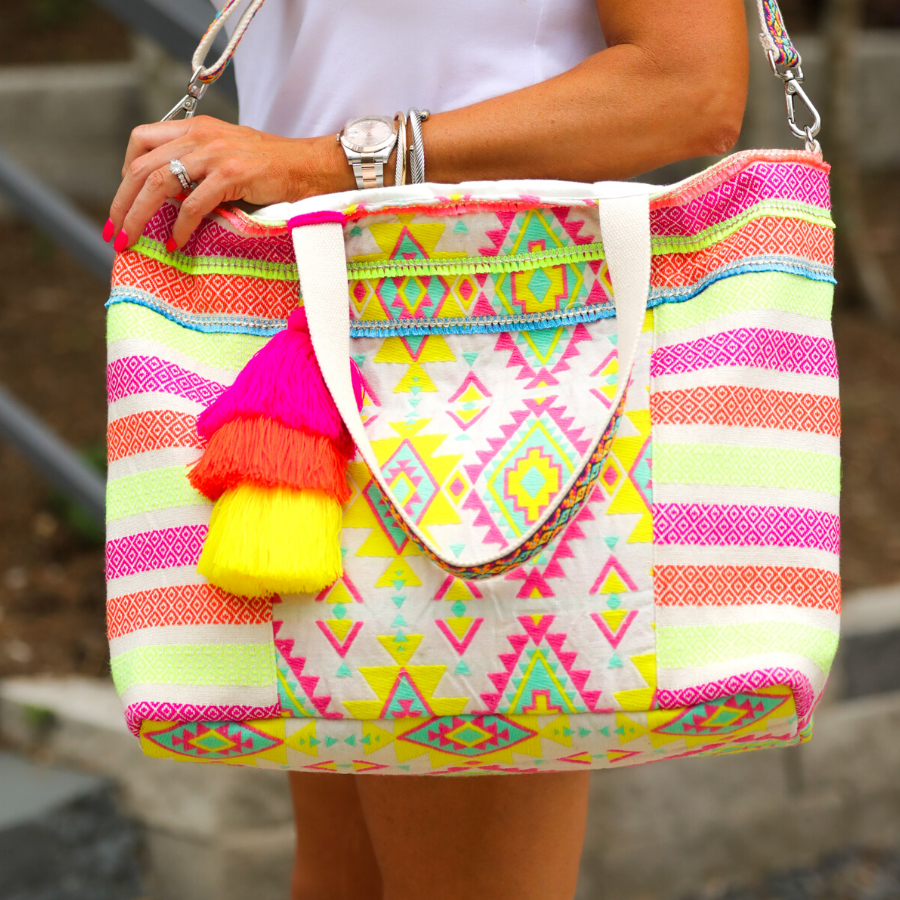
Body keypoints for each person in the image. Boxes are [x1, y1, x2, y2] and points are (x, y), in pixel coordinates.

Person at [104, 2, 749, 898]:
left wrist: (326, 162)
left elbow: (689, 87)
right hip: (318, 322)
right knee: (342, 876)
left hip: (488, 356)